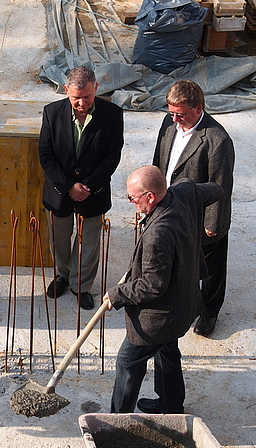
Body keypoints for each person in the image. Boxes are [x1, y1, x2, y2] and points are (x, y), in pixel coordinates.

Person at [105, 165, 222, 414]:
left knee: (128, 361)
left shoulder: (159, 234)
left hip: (162, 315)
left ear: (151, 196)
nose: (131, 203)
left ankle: (118, 421)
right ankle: (171, 404)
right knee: (167, 349)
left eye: (132, 198)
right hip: (184, 302)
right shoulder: (185, 192)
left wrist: (118, 294)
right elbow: (216, 191)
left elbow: (153, 284)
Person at [153, 80, 235, 337]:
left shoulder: (217, 140)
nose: (176, 119)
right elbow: (160, 162)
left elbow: (221, 185)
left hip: (201, 217)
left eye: (181, 114)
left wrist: (213, 223)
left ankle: (209, 311)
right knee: (178, 263)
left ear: (198, 109)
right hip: (171, 210)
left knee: (210, 268)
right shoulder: (169, 124)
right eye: (172, 113)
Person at [38, 66, 124, 310]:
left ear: (96, 88)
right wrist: (68, 186)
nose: (82, 103)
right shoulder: (51, 113)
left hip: (93, 191)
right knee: (60, 238)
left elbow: (112, 156)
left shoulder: (113, 114)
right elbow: (46, 155)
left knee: (88, 241)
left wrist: (86, 186)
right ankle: (64, 276)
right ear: (66, 91)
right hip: (59, 192)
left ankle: (81, 286)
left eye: (87, 97)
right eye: (76, 98)